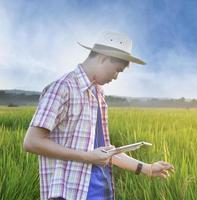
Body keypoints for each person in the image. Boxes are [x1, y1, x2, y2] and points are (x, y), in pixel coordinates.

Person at [23, 31, 175, 200]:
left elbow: (105, 150)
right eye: (117, 70)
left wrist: (147, 168)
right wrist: (88, 157)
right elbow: (32, 142)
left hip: (102, 191)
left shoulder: (98, 94)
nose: (116, 77)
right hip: (71, 194)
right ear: (103, 57)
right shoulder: (62, 88)